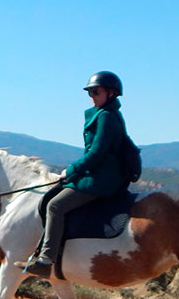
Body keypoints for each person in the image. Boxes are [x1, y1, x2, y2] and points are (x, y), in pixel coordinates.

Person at [18, 71, 134, 277]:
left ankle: (45, 261)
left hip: (103, 178)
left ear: (112, 93)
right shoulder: (104, 114)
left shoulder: (107, 116)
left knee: (56, 206)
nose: (92, 96)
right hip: (99, 173)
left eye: (96, 91)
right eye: (90, 92)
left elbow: (97, 153)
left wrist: (71, 171)